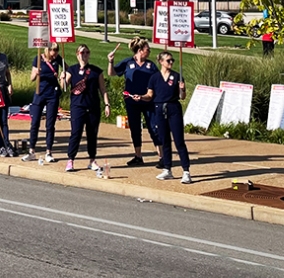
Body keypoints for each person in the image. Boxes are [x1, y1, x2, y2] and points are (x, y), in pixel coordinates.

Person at [108, 36, 160, 167]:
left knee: (154, 128)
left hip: (149, 101)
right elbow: (112, 73)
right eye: (148, 49)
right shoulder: (128, 63)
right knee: (135, 129)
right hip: (132, 101)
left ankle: (162, 157)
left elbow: (158, 80)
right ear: (140, 50)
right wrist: (111, 62)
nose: (149, 51)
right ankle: (138, 156)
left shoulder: (151, 65)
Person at [61, 44, 109, 173]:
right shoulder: (72, 70)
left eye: (87, 52)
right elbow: (64, 86)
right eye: (82, 52)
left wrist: (106, 104)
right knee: (76, 133)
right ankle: (70, 159)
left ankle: (92, 160)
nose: (85, 55)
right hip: (78, 106)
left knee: (92, 134)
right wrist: (62, 77)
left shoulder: (96, 71)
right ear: (77, 54)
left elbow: (103, 89)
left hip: (93, 106)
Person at [147, 52, 192, 184]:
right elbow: (150, 94)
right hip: (159, 109)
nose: (171, 63)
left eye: (172, 60)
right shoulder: (154, 78)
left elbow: (182, 97)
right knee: (164, 140)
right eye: (168, 60)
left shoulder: (177, 76)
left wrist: (182, 90)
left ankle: (186, 171)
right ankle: (167, 169)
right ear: (161, 62)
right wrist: (141, 97)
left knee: (179, 141)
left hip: (173, 109)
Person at [23, 44, 63, 163]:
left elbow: (67, 69)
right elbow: (32, 78)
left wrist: (62, 76)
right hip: (40, 93)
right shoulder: (38, 59)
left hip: (53, 94)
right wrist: (36, 73)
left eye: (57, 50)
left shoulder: (58, 59)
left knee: (50, 124)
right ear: (47, 49)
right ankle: (31, 151)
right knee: (35, 123)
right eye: (53, 50)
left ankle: (48, 151)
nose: (55, 52)